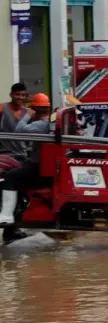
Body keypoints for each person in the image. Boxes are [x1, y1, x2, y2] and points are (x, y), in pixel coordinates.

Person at [0, 93, 52, 225]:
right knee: (17, 174)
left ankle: (6, 216)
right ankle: (13, 229)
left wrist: (27, 115)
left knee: (10, 178)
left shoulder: (41, 125)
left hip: (38, 169)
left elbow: (19, 130)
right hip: (40, 166)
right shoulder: (48, 123)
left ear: (34, 110)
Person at [1, 82, 30, 165]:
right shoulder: (2, 108)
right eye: (17, 94)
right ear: (11, 95)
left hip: (22, 156)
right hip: (4, 156)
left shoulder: (28, 112)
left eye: (23, 95)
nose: (20, 97)